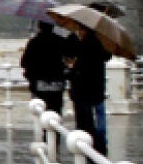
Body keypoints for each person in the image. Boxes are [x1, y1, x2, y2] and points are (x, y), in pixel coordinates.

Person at [64, 27, 112, 156]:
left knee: (86, 119)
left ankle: (91, 144)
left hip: (84, 89)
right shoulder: (101, 42)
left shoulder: (83, 44)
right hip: (98, 87)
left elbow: (75, 64)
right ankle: (101, 143)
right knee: (99, 116)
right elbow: (107, 56)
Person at [20, 20, 71, 113]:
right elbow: (70, 58)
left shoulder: (34, 42)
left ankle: (42, 127)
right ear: (53, 27)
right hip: (57, 81)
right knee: (56, 109)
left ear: (39, 27)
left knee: (40, 110)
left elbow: (24, 62)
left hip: (38, 82)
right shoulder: (61, 41)